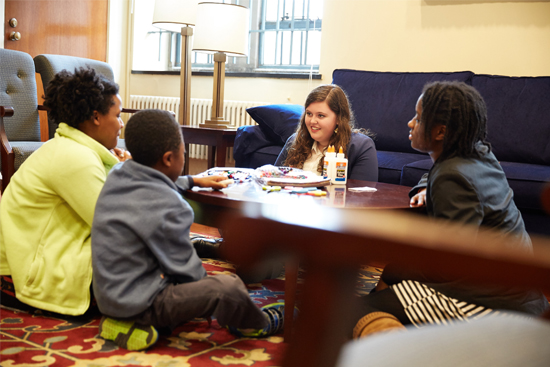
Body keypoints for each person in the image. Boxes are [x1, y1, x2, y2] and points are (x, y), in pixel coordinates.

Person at [353, 81, 549, 338]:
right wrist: (426, 187)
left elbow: (448, 263)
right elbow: (439, 173)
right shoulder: (478, 153)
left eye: (419, 118)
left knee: (352, 312)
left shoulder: (453, 177)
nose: (410, 123)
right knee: (393, 274)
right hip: (522, 293)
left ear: (440, 132)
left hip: (491, 301)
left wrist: (399, 264)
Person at [91, 109, 288, 351]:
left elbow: (154, 182)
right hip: (141, 302)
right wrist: (204, 296)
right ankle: (256, 324)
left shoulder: (119, 174)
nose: (184, 158)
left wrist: (193, 180)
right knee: (228, 288)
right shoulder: (171, 206)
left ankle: (124, 322)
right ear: (168, 159)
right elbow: (187, 271)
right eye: (183, 153)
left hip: (107, 296)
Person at [0, 67, 130, 316]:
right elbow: (117, 226)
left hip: (39, 257)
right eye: (118, 114)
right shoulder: (75, 157)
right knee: (145, 260)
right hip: (31, 273)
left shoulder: (72, 149)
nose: (121, 124)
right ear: (96, 117)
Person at [275, 84, 378, 182]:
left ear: (339, 118)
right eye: (309, 114)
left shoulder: (362, 147)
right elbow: (273, 179)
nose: (312, 121)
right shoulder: (294, 140)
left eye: (321, 116)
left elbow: (361, 195)